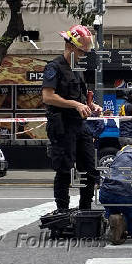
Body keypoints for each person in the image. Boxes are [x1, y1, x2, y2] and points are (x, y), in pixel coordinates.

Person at [42, 25, 102, 212]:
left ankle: (85, 210)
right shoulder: (54, 67)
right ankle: (62, 211)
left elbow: (82, 98)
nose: (83, 55)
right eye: (81, 51)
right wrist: (75, 105)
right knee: (64, 170)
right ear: (70, 46)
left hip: (79, 125)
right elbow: (48, 96)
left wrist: (91, 106)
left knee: (89, 170)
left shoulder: (77, 69)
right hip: (62, 125)